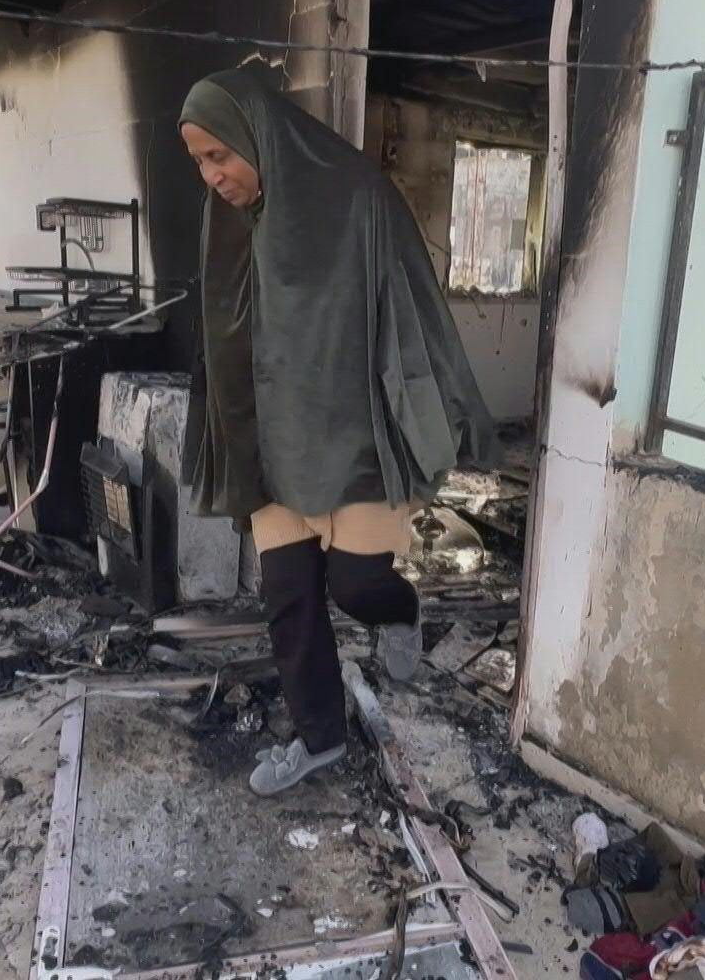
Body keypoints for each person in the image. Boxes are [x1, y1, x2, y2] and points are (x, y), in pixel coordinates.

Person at [178, 67, 497, 796]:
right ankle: (319, 737)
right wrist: (226, 431)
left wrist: (437, 412)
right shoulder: (229, 220)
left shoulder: (359, 197)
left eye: (219, 155)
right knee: (288, 597)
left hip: (356, 439)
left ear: (258, 137)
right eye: (199, 161)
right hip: (273, 438)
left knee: (356, 585)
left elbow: (413, 313)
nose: (211, 176)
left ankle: (402, 609)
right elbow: (223, 329)